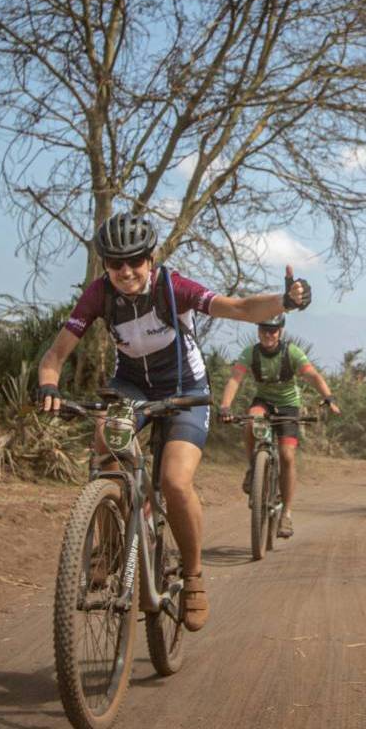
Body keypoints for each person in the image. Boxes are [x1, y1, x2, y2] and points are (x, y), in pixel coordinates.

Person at [35, 212, 311, 631]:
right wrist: (48, 386)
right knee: (105, 446)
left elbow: (238, 307)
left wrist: (284, 301)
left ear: (151, 258)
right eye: (115, 263)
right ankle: (108, 546)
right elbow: (55, 355)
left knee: (176, 482)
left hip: (185, 389)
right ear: (105, 264)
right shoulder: (98, 295)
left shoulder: (172, 287)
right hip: (131, 387)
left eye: (135, 260)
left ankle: (194, 577)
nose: (126, 271)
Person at [217, 315, 338, 539]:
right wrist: (225, 407)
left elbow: (312, 375)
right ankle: (253, 469)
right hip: (263, 402)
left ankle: (286, 514)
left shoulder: (292, 352)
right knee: (251, 421)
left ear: (280, 331)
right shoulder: (250, 353)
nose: (268, 334)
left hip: (288, 406)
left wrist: (328, 397)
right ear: (258, 331)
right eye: (264, 329)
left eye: (273, 330)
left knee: (287, 456)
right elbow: (235, 379)